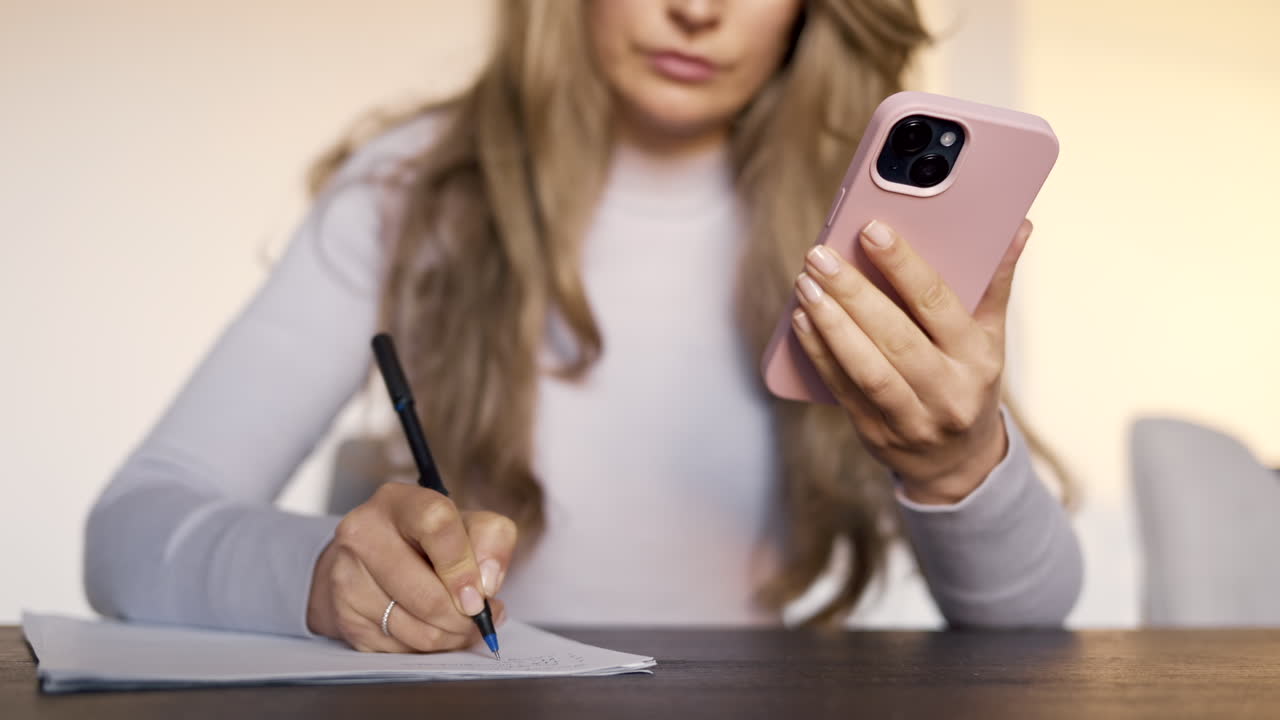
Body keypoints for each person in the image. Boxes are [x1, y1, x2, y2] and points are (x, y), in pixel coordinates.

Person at [85, 0, 1082, 653]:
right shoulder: (414, 189)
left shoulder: (866, 225)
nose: (696, 11)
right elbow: (132, 528)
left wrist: (954, 468)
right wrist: (315, 576)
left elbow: (1034, 623)